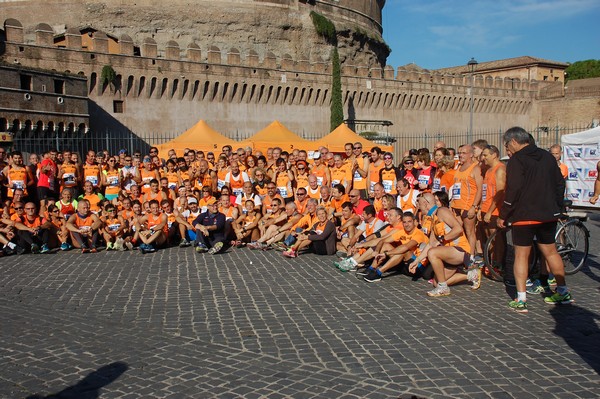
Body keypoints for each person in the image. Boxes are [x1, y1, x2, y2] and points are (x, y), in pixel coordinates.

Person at [498, 127, 573, 313]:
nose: (508, 148)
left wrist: (504, 213)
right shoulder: (547, 157)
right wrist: (556, 206)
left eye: (507, 144)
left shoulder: (517, 159)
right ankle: (562, 291)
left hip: (524, 215)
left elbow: (513, 189)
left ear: (514, 141)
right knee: (551, 251)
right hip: (548, 214)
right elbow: (560, 182)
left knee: (521, 255)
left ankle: (521, 298)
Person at [411, 192, 474, 297]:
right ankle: (472, 275)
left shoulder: (442, 211)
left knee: (433, 253)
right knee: (436, 282)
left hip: (460, 251)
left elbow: (458, 229)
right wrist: (417, 261)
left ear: (426, 204)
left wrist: (443, 238)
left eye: (420, 204)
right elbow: (431, 243)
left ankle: (443, 288)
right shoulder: (432, 219)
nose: (419, 208)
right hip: (448, 253)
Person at [363, 211, 429, 283]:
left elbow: (406, 247)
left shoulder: (418, 234)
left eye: (409, 222)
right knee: (386, 245)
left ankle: (378, 273)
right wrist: (377, 251)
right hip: (404, 263)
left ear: (415, 222)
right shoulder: (402, 231)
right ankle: (371, 269)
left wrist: (386, 254)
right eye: (404, 222)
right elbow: (383, 241)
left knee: (404, 251)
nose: (406, 224)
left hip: (417, 267)